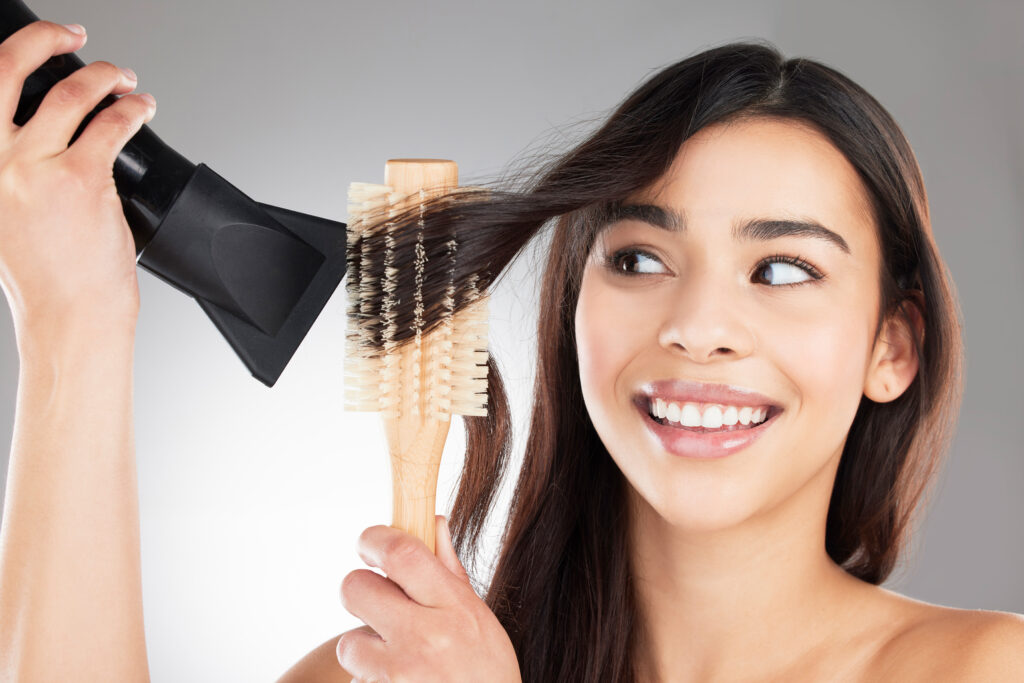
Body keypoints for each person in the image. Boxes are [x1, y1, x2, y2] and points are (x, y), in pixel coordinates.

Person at [0, 20, 1020, 683]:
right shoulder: (386, 670)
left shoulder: (982, 668)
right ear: (574, 308)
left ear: (893, 346)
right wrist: (73, 318)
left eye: (784, 269)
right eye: (638, 256)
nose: (698, 323)